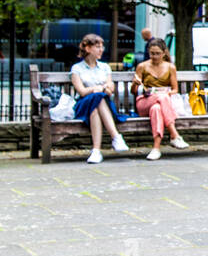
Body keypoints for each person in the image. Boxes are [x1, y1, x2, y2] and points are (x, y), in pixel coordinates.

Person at [70, 34, 129, 165]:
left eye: (102, 47)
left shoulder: (105, 67)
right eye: (98, 47)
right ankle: (116, 137)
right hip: (83, 105)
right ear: (88, 48)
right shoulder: (76, 69)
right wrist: (98, 88)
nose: (101, 50)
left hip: (103, 105)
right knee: (96, 98)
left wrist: (99, 89)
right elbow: (82, 92)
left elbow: (110, 89)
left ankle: (96, 151)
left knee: (96, 104)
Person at [132, 37, 190, 161]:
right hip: (144, 101)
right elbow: (134, 92)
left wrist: (166, 93)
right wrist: (135, 83)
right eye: (152, 53)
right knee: (161, 99)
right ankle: (174, 135)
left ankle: (156, 148)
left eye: (158, 53)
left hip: (161, 102)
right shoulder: (142, 66)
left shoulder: (170, 67)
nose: (155, 56)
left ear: (164, 53)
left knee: (157, 109)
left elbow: (175, 89)